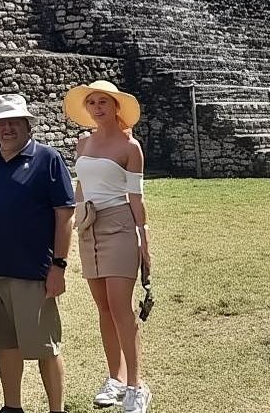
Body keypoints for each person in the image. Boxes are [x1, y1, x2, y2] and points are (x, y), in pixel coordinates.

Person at [0, 94, 75, 413]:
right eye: (0, 123)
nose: (7, 128)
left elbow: (64, 215)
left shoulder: (48, 158)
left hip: (33, 270)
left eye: (13, 122)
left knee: (45, 346)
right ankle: (12, 406)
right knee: (6, 342)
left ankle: (56, 408)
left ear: (27, 124)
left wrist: (58, 265)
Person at [65, 81, 152, 413]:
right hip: (90, 225)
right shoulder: (83, 142)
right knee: (103, 308)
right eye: (92, 102)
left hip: (119, 225)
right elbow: (80, 186)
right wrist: (76, 219)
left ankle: (136, 385)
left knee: (119, 307)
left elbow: (136, 198)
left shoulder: (131, 147)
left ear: (117, 106)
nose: (98, 107)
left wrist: (144, 239)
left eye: (104, 101)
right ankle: (115, 378)